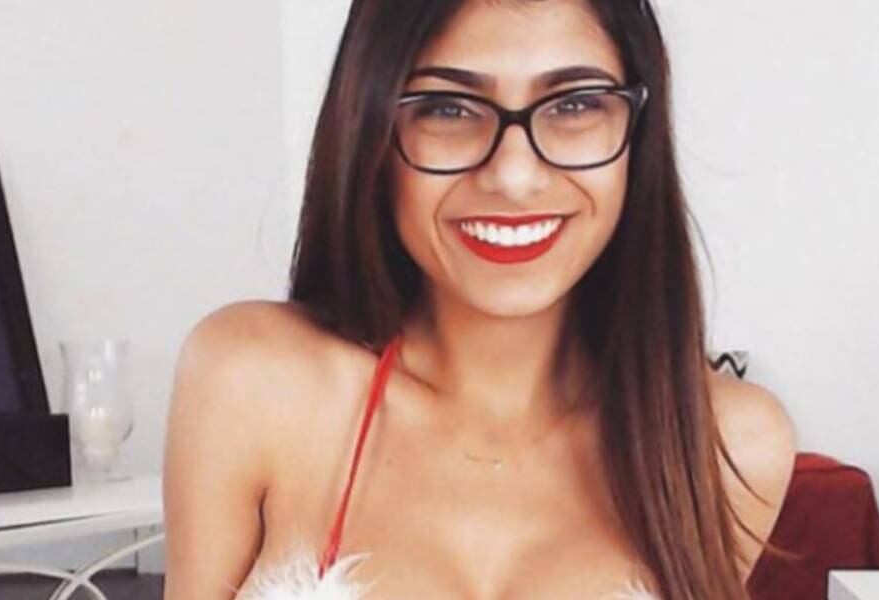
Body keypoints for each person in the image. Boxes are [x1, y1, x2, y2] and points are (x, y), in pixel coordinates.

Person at [162, 1, 796, 598]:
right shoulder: (255, 384)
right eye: (448, 108)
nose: (513, 176)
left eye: (574, 104)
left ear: (638, 130)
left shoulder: (728, 444)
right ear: (372, 126)